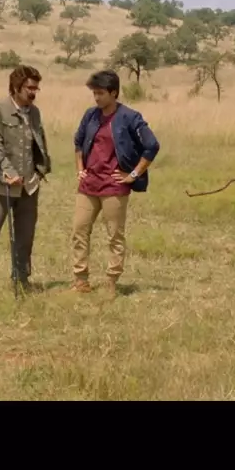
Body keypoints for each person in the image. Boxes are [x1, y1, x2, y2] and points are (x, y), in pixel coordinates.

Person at [70, 69, 161, 298]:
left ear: (114, 93)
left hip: (114, 186)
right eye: (94, 93)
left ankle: (111, 281)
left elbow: (152, 145)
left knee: (114, 236)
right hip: (89, 185)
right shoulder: (90, 115)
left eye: (100, 93)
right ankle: (80, 280)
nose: (96, 98)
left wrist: (134, 174)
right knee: (79, 230)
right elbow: (78, 142)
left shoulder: (130, 117)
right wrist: (80, 169)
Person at [0, 65, 51, 298]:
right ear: (16, 87)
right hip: (2, 185)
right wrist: (8, 171)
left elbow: (39, 141)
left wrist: (41, 169)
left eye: (36, 88)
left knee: (25, 237)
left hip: (29, 186)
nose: (33, 92)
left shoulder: (34, 113)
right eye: (29, 88)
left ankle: (21, 281)